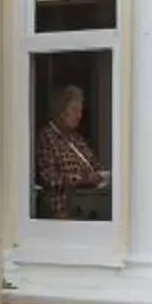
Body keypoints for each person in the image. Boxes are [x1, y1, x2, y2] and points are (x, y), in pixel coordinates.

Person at [35, 84, 107, 220]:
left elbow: (95, 165)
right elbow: (48, 178)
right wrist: (82, 179)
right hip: (59, 216)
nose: (79, 116)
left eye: (80, 111)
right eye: (74, 110)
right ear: (60, 111)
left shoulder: (77, 139)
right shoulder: (46, 138)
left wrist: (100, 176)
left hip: (88, 211)